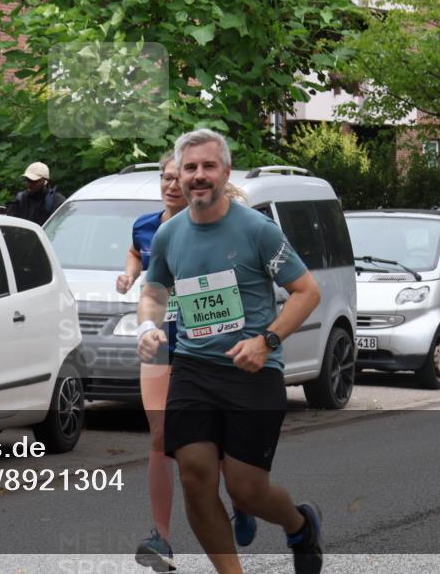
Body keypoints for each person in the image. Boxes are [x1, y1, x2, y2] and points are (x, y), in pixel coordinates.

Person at [137, 128, 324, 574]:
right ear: (178, 175)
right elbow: (155, 290)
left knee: (245, 490)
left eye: (208, 167)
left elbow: (306, 292)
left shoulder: (257, 229)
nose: (198, 176)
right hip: (195, 370)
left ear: (225, 172)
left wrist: (266, 341)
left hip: (253, 373)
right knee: (196, 476)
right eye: (190, 168)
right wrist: (147, 324)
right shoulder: (168, 235)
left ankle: (300, 525)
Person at [121, 157, 256, 572]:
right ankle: (161, 537)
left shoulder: (219, 227)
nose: (170, 185)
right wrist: (130, 277)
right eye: (164, 178)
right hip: (162, 344)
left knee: (211, 443)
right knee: (161, 434)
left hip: (208, 345)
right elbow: (135, 251)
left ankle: (240, 500)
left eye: (176, 178)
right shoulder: (147, 226)